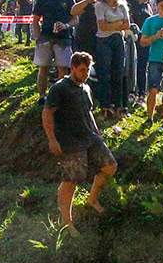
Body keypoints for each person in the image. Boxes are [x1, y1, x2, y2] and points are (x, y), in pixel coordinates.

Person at [42, 51, 117, 228]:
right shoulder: (59, 88)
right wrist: (52, 139)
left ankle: (91, 200)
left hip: (89, 137)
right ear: (73, 68)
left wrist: (98, 134)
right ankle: (67, 222)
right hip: (70, 142)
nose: (85, 74)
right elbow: (47, 113)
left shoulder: (86, 88)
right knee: (70, 180)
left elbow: (88, 112)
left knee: (110, 166)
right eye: (82, 70)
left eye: (88, 70)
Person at [32, 0, 75, 97]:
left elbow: (75, 19)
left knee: (62, 69)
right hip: (45, 37)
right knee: (43, 68)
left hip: (63, 38)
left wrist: (66, 25)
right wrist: (38, 37)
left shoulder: (68, 0)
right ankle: (41, 97)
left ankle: (59, 97)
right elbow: (35, 19)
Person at [94, 0, 131, 116]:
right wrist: (117, 25)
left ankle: (119, 105)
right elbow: (102, 26)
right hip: (103, 40)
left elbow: (127, 24)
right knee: (104, 72)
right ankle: (105, 104)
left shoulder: (122, 6)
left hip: (118, 39)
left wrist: (111, 25)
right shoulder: (100, 5)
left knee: (119, 72)